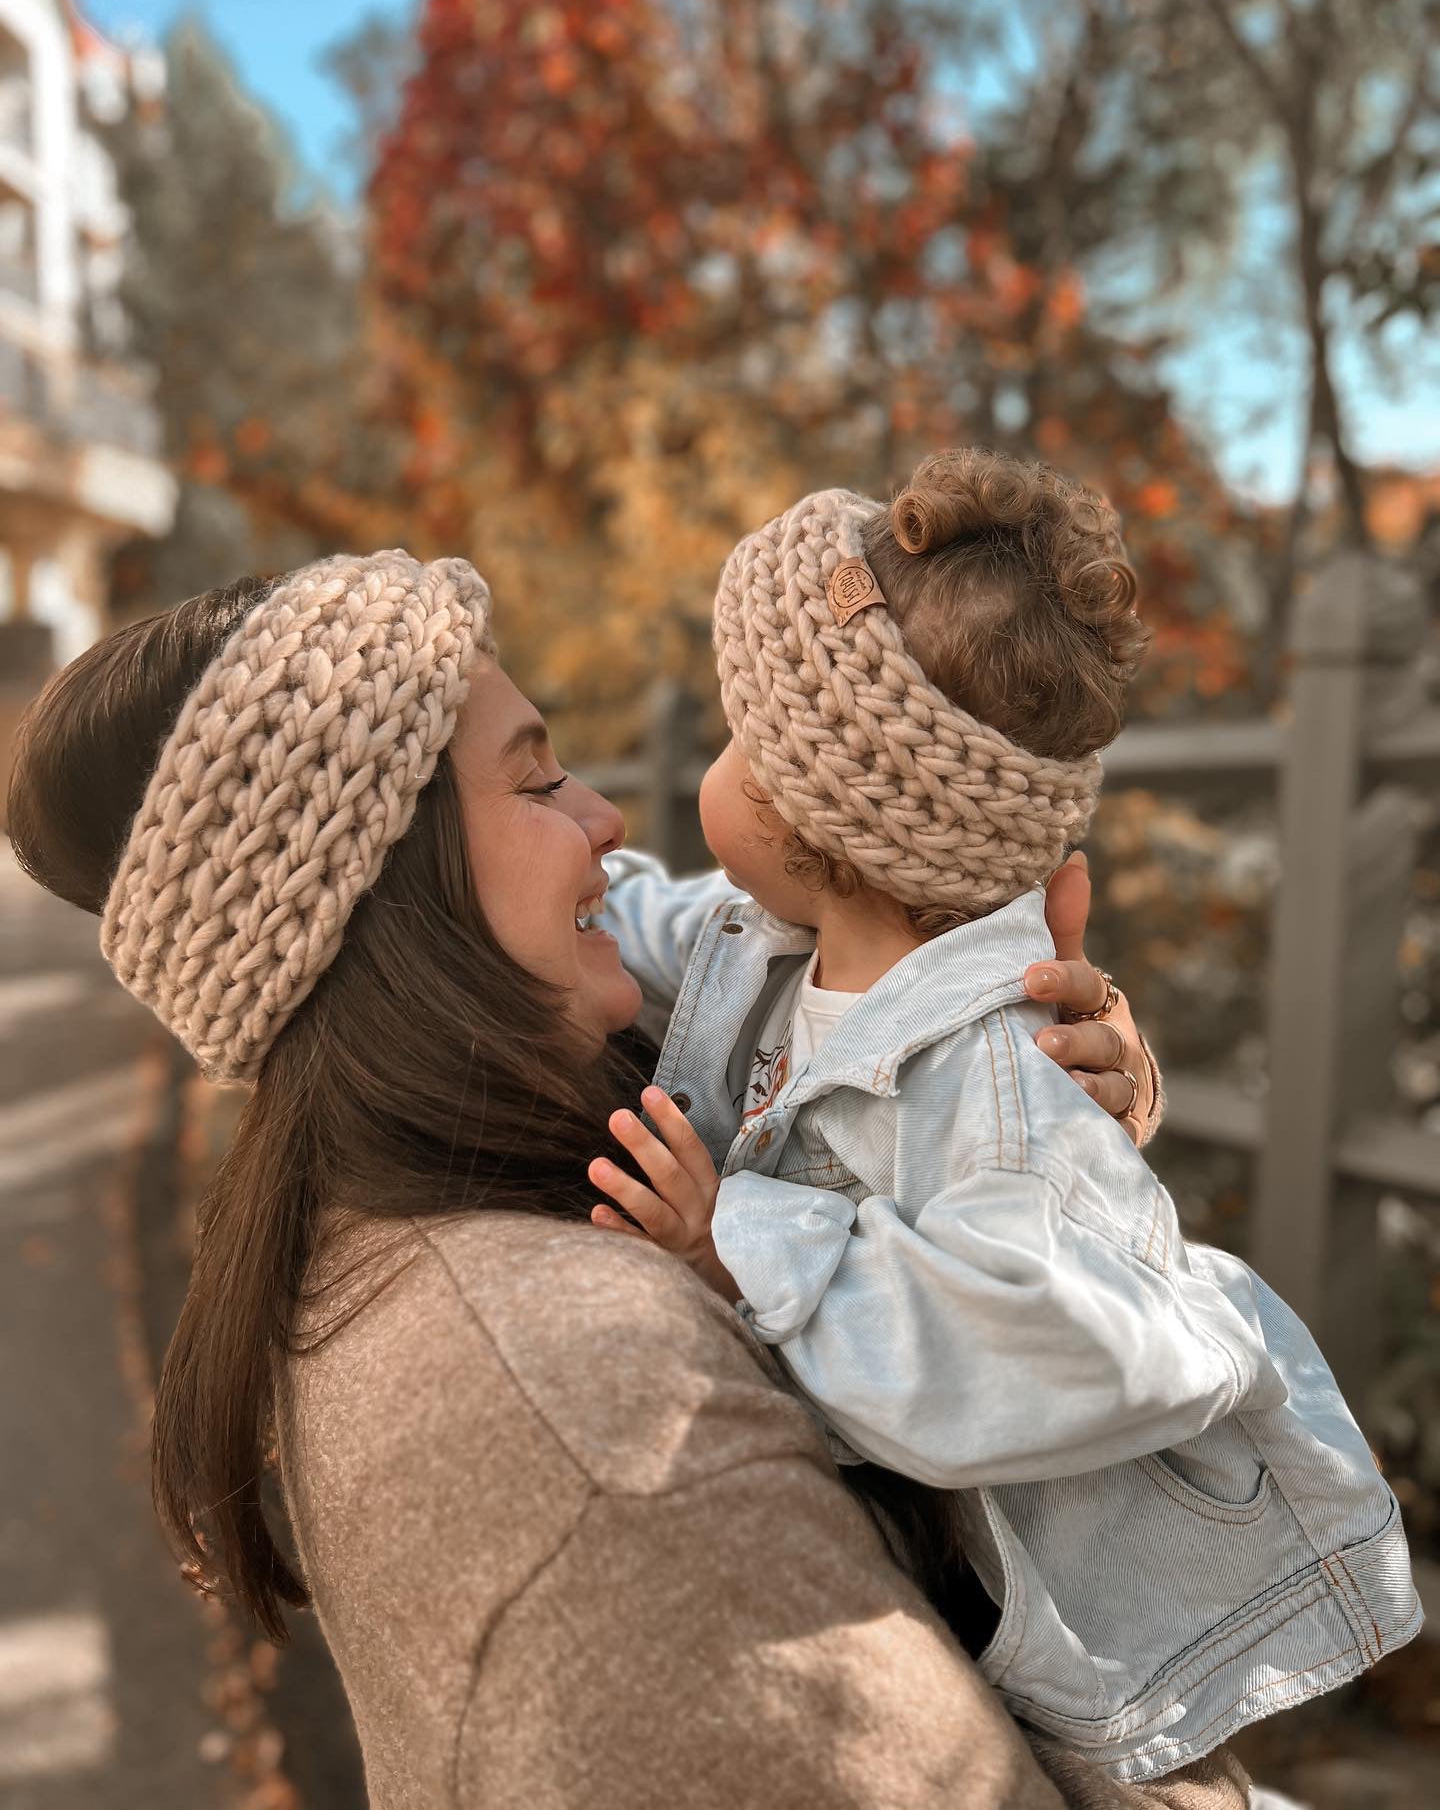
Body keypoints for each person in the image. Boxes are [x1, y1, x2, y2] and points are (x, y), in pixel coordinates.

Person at [7, 548, 1249, 1810]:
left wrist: (1027, 1092)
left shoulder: (453, 1197)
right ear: (392, 897)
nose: (606, 815)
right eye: (537, 778)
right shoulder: (605, 1419)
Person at [584, 454, 1422, 1785]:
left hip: (1070, 1674)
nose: (715, 768)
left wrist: (734, 1238)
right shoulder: (778, 947)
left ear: (823, 823)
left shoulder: (1001, 1082)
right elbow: (630, 918)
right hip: (919, 1591)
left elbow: (1035, 1335)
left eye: (748, 745)